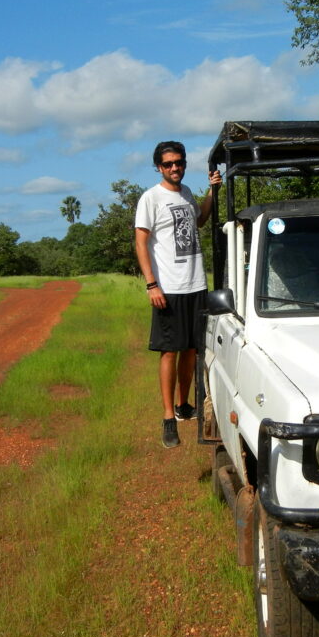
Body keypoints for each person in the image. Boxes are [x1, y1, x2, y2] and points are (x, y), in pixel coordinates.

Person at [134, 140, 222, 448]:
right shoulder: (151, 198)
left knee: (191, 350)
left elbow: (198, 221)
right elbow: (140, 242)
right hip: (168, 288)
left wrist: (212, 193)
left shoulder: (185, 194)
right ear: (158, 167)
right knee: (169, 351)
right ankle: (169, 417)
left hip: (195, 284)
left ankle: (185, 405)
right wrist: (151, 284)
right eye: (169, 164)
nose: (175, 168)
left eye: (179, 162)